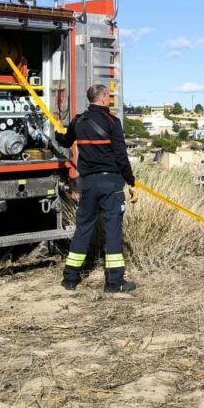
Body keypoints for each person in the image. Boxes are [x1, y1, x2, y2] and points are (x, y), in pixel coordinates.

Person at [59, 84, 138, 293]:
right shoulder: (112, 122)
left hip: (89, 184)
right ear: (103, 99)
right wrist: (131, 181)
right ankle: (114, 282)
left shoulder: (78, 122)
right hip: (111, 183)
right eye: (108, 97)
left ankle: (70, 279)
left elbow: (65, 142)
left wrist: (58, 134)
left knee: (83, 228)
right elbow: (121, 156)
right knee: (112, 230)